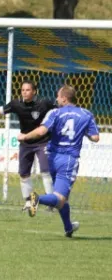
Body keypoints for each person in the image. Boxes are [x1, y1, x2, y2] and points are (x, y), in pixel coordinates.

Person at [20, 85, 99, 237]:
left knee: (62, 197)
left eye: (58, 96)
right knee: (60, 198)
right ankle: (36, 199)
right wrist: (86, 134)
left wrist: (25, 136)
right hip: (68, 160)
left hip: (52, 158)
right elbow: (95, 137)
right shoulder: (86, 114)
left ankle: (68, 228)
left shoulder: (55, 112)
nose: (56, 99)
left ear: (64, 98)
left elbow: (42, 131)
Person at [0, 80, 55, 211]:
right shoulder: (17, 104)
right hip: (25, 142)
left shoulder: (43, 103)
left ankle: (51, 202)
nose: (24, 92)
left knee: (45, 170)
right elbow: (2, 109)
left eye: (27, 90)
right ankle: (29, 202)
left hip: (42, 141)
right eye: (22, 90)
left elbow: (60, 108)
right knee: (23, 173)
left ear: (34, 92)